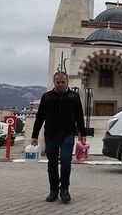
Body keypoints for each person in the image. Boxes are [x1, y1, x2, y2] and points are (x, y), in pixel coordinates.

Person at [31, 71, 85, 204]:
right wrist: (34, 135)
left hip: (67, 134)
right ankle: (54, 190)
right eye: (58, 82)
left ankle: (64, 189)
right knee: (52, 163)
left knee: (66, 161)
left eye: (63, 82)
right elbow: (40, 117)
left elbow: (79, 116)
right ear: (54, 82)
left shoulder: (74, 96)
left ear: (67, 82)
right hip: (51, 135)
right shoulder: (47, 97)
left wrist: (82, 134)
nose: (60, 84)